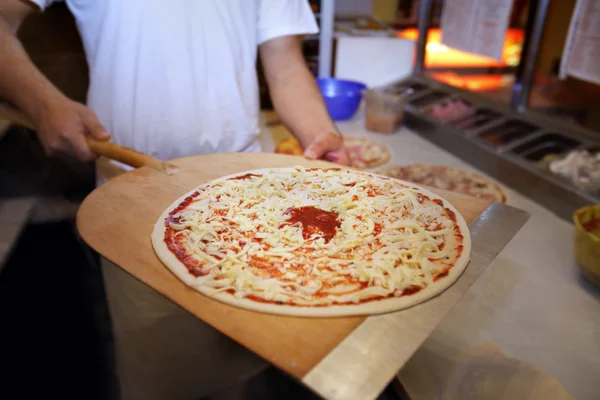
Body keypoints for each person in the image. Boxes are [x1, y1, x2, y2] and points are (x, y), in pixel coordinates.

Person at [0, 1, 349, 399]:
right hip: (132, 199)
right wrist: (44, 104)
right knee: (161, 375)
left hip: (248, 199)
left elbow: (285, 65)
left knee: (243, 362)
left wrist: (320, 134)